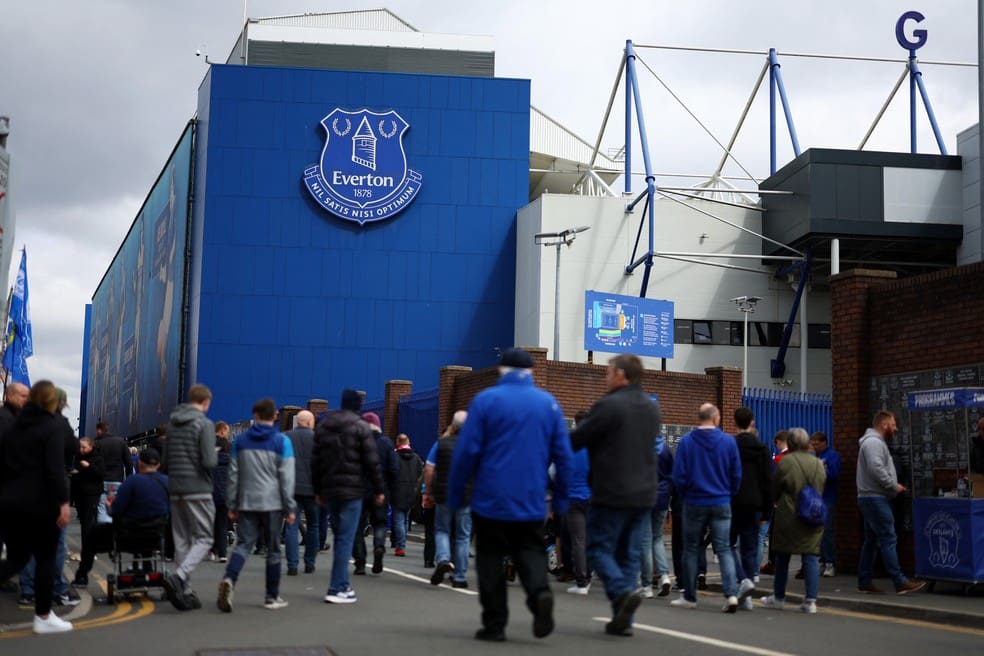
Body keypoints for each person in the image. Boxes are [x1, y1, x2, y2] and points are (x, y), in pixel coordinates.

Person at [448, 347, 573, 642]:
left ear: (500, 372)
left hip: (489, 496)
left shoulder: (486, 401)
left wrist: (455, 495)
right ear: (530, 373)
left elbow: (465, 453)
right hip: (530, 496)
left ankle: (495, 624)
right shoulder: (548, 404)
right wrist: (561, 499)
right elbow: (564, 456)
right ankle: (539, 594)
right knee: (529, 550)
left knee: (490, 557)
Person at [569, 353, 660, 636]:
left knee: (597, 550)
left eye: (608, 372)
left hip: (612, 492)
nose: (606, 377)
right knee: (629, 558)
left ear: (621, 374)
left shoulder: (609, 406)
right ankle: (623, 621)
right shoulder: (650, 408)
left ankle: (622, 595)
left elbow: (578, 439)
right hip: (644, 494)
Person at [0, 380, 74, 634]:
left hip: (10, 501)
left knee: (16, 559)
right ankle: (43, 616)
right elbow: (55, 469)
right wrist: (63, 502)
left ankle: (44, 615)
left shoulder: (12, 427)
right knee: (45, 558)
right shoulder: (52, 426)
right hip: (41, 502)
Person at [217, 398, 296, 612]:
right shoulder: (282, 442)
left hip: (247, 500)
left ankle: (230, 579)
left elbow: (233, 476)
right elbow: (286, 478)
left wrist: (232, 504)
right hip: (273, 502)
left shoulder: (240, 442)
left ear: (256, 416)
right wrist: (289, 507)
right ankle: (271, 596)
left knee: (243, 544)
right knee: (273, 550)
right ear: (275, 416)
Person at [312, 389, 386, 604]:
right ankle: (336, 588)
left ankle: (343, 585)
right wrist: (379, 490)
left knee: (339, 537)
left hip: (330, 489)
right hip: (353, 490)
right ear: (358, 406)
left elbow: (315, 462)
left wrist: (318, 490)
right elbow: (372, 462)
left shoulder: (324, 426)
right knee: (345, 538)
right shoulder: (361, 427)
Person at [671, 403, 742, 612]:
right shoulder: (728, 442)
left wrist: (686, 494)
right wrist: (728, 493)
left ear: (698, 417)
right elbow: (736, 474)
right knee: (724, 549)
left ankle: (690, 596)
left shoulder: (686, 442)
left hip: (694, 501)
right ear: (716, 418)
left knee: (690, 549)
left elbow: (678, 476)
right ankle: (731, 595)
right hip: (721, 501)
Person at [856, 411, 925, 595]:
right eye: (893, 425)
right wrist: (893, 486)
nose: (895, 429)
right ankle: (899, 581)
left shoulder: (873, 443)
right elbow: (876, 468)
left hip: (870, 496)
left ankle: (864, 580)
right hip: (875, 497)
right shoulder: (873, 443)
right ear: (884, 425)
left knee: (871, 540)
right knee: (889, 537)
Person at [162, 383, 218, 611]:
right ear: (205, 402)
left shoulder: (172, 425)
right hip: (198, 488)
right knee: (205, 538)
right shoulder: (204, 424)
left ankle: (185, 592)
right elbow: (208, 462)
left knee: (182, 540)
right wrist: (214, 455)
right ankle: (180, 576)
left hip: (175, 488)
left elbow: (164, 462)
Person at [759, 428, 825, 613]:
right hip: (813, 514)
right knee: (811, 556)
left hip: (788, 514)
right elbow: (821, 486)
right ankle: (810, 600)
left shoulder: (786, 462)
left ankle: (779, 596)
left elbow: (776, 488)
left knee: (782, 556)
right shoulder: (817, 463)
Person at [424, 411, 473, 588]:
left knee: (442, 530)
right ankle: (459, 576)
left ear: (452, 425)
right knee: (463, 535)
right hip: (466, 495)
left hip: (444, 494)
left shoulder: (441, 444)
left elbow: (429, 470)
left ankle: (443, 558)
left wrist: (428, 492)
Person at [731, 407, 772, 611]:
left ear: (735, 423)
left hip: (733, 501)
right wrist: (767, 510)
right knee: (749, 547)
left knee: (726, 545)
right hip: (755, 503)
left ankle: (741, 581)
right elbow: (767, 480)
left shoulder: (731, 445)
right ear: (752, 423)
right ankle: (747, 592)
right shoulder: (762, 448)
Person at [353, 411, 398, 575]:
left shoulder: (357, 443)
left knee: (357, 527)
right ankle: (379, 546)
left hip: (358, 490)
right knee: (379, 522)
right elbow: (394, 469)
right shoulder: (386, 443)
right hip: (380, 490)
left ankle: (360, 562)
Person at [284, 410, 320, 575]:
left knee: (291, 525)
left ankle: (292, 564)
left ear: (297, 422)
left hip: (292, 488)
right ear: (310, 422)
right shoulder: (318, 440)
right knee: (314, 525)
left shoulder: (286, 437)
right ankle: (310, 562)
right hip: (313, 489)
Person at [640, 431, 674, 598]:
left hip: (644, 497)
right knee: (657, 538)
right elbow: (670, 475)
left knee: (645, 541)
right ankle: (665, 576)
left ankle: (646, 585)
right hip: (662, 498)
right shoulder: (666, 449)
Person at [563, 411, 592, 595]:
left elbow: (555, 470)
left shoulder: (569, 442)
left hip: (573, 496)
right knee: (590, 538)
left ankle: (581, 581)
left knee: (578, 540)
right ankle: (590, 573)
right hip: (592, 495)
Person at [72, 437, 106, 586]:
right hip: (80, 495)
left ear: (91, 446)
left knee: (88, 524)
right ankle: (85, 550)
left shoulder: (97, 458)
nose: (82, 450)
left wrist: (89, 466)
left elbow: (101, 474)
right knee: (84, 523)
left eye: (84, 447)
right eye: (80, 447)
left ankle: (87, 551)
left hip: (92, 494)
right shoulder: (78, 457)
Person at [810, 431, 841, 577]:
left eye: (817, 444)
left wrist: (820, 470)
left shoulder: (832, 456)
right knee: (818, 533)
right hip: (817, 498)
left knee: (827, 531)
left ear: (824, 442)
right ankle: (822, 561)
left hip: (828, 497)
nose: (814, 447)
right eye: (813, 444)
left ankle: (830, 562)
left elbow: (834, 474)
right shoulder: (817, 457)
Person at [391, 433, 423, 558]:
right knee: (405, 519)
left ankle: (400, 546)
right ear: (408, 442)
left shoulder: (395, 457)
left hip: (398, 490)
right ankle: (402, 543)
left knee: (398, 519)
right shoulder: (416, 458)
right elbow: (421, 473)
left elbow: (391, 472)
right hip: (411, 491)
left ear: (398, 442)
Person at [211, 432, 232, 563]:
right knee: (223, 525)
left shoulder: (210, 461)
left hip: (212, 494)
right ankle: (223, 554)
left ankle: (213, 550)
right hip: (226, 496)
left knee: (212, 523)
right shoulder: (231, 461)